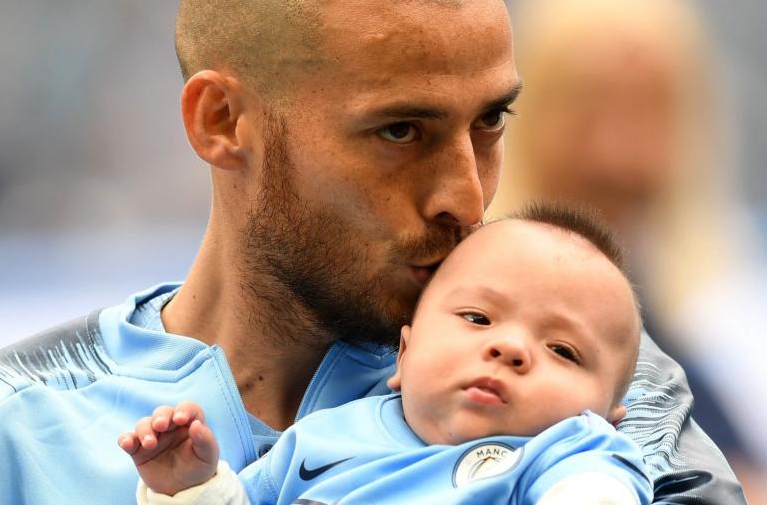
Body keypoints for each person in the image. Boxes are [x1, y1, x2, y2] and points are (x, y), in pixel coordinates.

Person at [0, 0, 746, 503]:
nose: (467, 195)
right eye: (401, 131)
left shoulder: (581, 396)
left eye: (489, 122)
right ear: (222, 122)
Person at [121, 204, 653, 504]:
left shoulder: (569, 452)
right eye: (477, 318)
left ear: (608, 414)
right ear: (404, 353)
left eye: (562, 349)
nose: (509, 347)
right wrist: (192, 488)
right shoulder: (319, 438)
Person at [489, 0, 766, 498]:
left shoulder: (730, 274)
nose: (618, 153)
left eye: (651, 105)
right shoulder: (482, 289)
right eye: (590, 105)